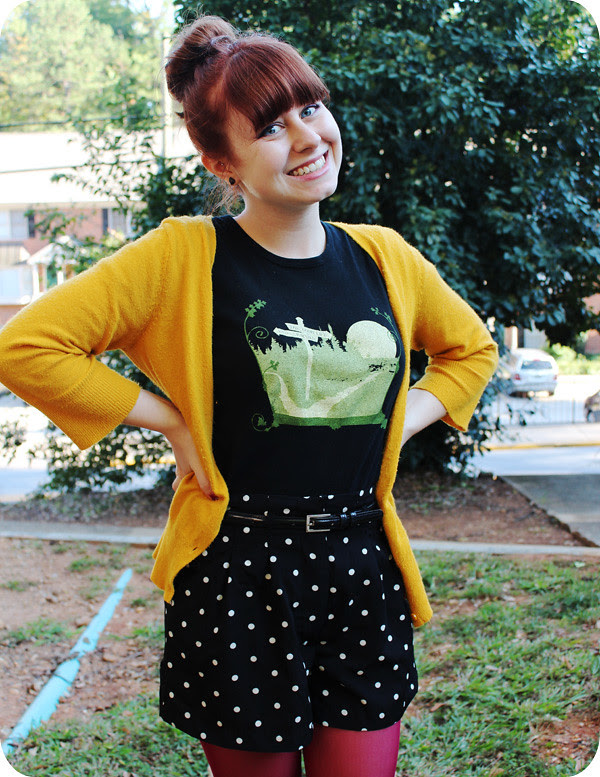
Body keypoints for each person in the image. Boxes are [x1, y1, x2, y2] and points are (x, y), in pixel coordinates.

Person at [0, 14, 498, 777]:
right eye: (270, 127)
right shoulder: (181, 256)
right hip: (237, 569)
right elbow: (25, 347)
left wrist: (399, 424)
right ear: (218, 159)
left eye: (310, 107)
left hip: (362, 563)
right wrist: (169, 420)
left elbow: (470, 350)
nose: (306, 138)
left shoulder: (384, 257)